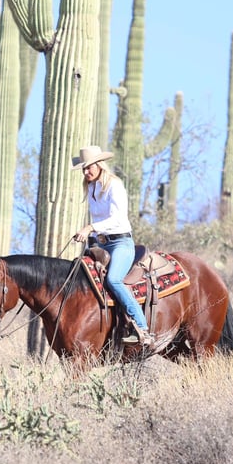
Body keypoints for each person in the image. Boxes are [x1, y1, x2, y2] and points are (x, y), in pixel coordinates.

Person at [71, 145, 154, 346]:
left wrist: (90, 227)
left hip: (121, 243)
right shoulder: (91, 187)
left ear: (99, 164)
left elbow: (117, 219)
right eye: (83, 168)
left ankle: (142, 328)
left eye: (88, 167)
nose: (85, 171)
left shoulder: (115, 185)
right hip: (101, 243)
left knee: (114, 280)